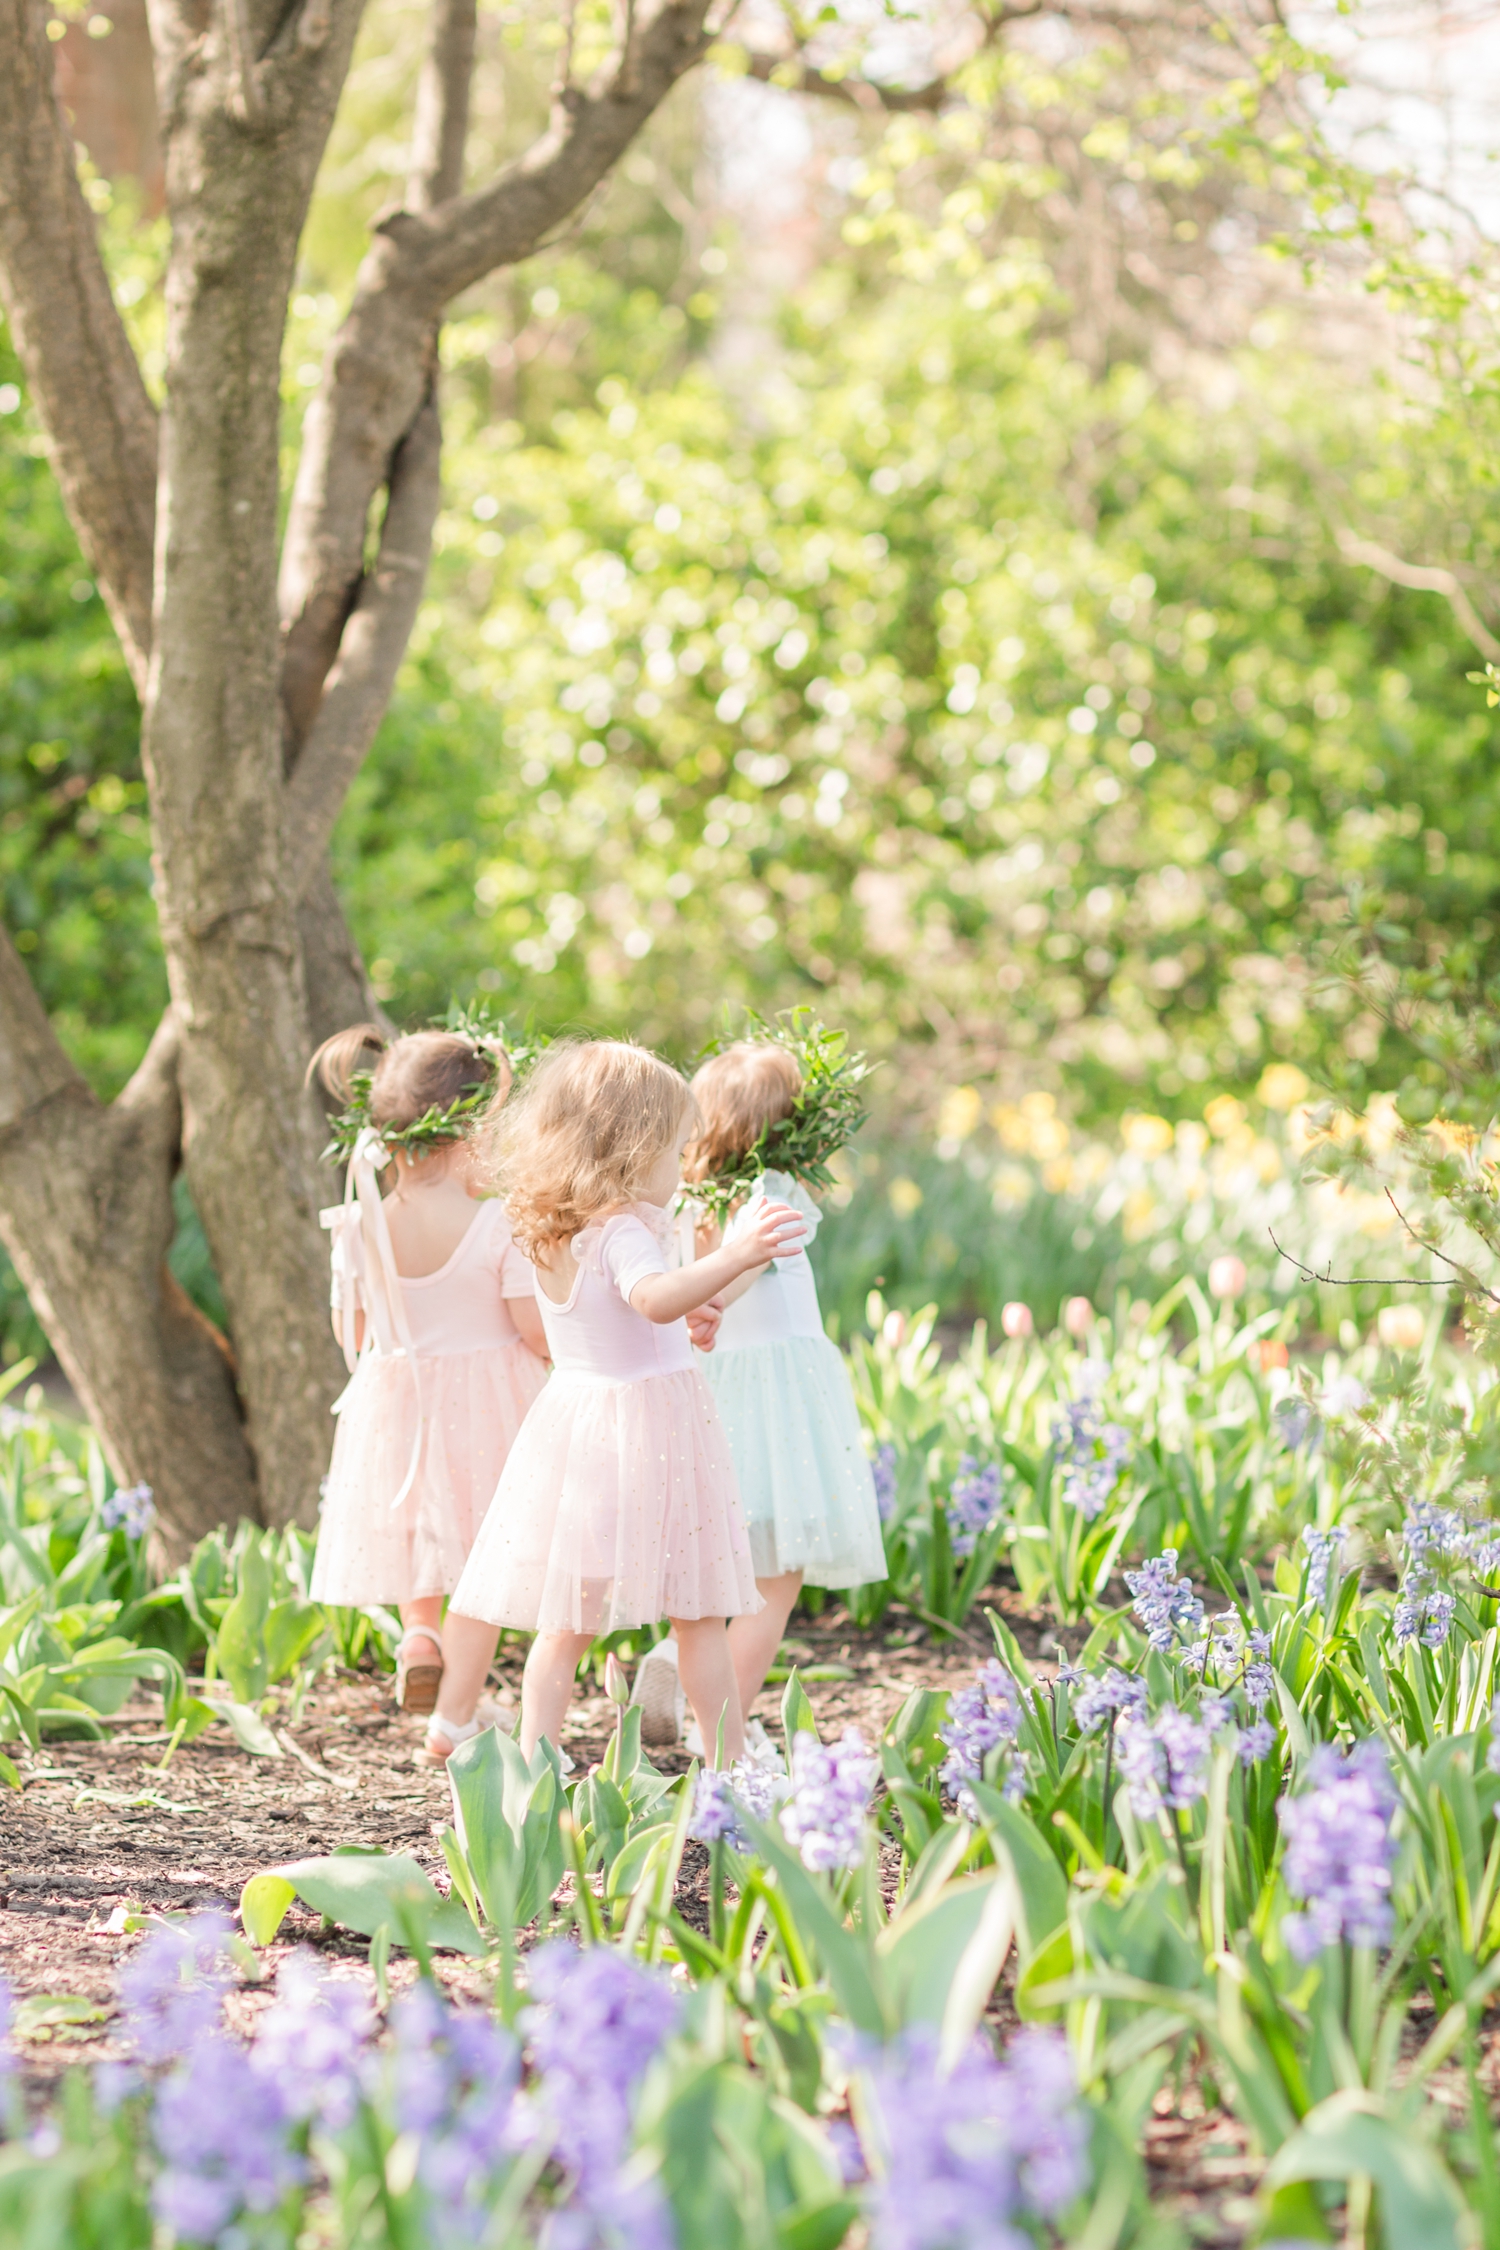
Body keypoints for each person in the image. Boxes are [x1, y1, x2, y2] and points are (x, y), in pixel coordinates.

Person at [444, 1040, 806, 1767]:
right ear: (633, 1149)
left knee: (565, 1624)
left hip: (580, 1430)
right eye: (676, 1151)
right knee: (701, 1617)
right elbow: (650, 1297)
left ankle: (534, 1762)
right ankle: (731, 1771)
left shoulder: (552, 1228)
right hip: (652, 1433)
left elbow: (630, 1312)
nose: (682, 1166)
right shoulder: (624, 1228)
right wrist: (734, 1255)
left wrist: (700, 1304)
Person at [632, 1038, 883, 1755]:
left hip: (711, 1395)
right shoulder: (778, 1191)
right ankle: (725, 1734)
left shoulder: (685, 1199)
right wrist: (719, 1300)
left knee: (721, 1559)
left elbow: (703, 1273)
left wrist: (706, 1308)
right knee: (777, 1579)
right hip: (781, 1401)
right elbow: (753, 1260)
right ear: (789, 1128)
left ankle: (677, 1664)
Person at [308, 1023, 549, 1729]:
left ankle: (419, 1634)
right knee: (486, 1550)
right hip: (489, 1400)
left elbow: (353, 1334)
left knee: (421, 1526)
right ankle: (459, 1712)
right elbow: (531, 1328)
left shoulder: (357, 1224)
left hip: (397, 1393)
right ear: (469, 1127)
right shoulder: (496, 1223)